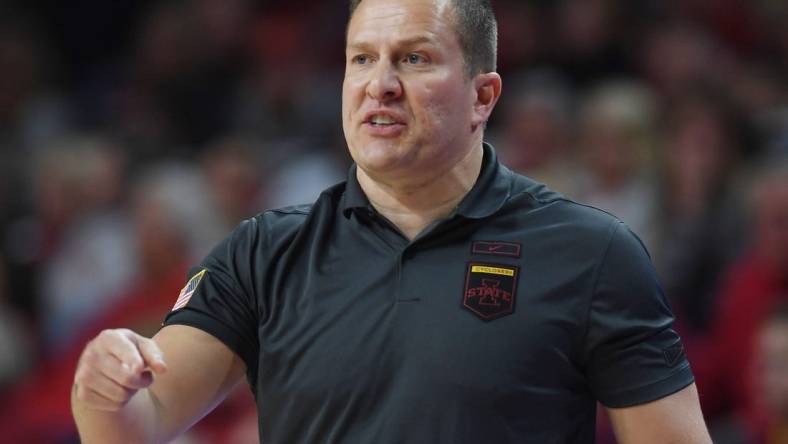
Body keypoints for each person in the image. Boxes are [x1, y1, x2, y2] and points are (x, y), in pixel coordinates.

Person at [71, 0, 711, 442]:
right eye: (360, 59)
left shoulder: (592, 253)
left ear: (483, 96)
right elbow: (142, 421)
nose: (379, 84)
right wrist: (105, 391)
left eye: (413, 58)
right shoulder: (263, 252)